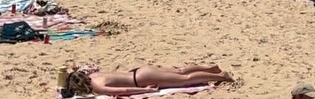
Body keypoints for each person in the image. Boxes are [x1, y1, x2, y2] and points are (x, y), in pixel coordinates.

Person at [66, 63, 233, 95]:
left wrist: (145, 90)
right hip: (139, 70)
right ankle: (210, 68)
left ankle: (221, 76)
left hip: (141, 79)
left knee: (185, 79)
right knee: (180, 71)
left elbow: (124, 90)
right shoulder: (93, 75)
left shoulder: (96, 85)